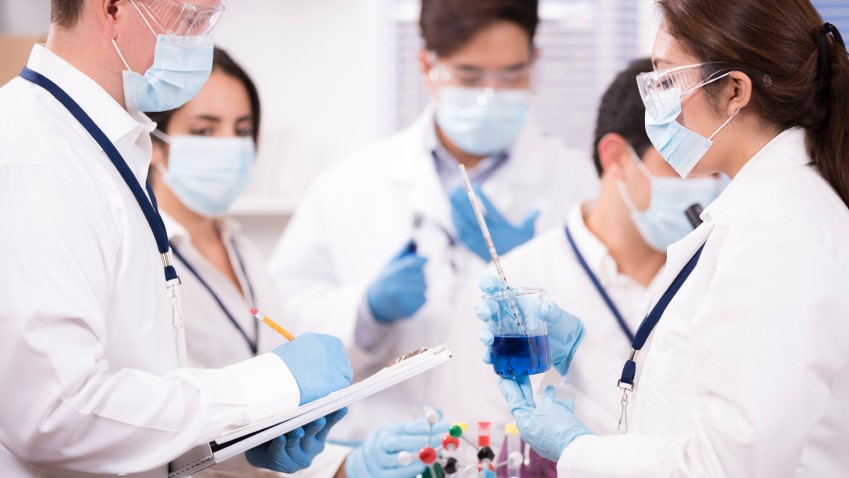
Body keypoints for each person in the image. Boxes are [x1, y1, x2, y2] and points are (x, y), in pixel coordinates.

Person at [479, 0, 849, 476]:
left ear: (735, 90)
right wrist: (580, 355)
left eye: (667, 78)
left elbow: (727, 465)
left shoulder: (780, 232)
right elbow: (685, 395)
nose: (654, 101)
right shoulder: (756, 212)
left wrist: (575, 450)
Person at [0, 1, 352, 476]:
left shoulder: (109, 147)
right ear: (113, 8)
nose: (199, 42)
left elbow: (134, 384)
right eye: (190, 19)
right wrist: (264, 386)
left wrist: (230, 434)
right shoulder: (33, 156)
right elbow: (54, 413)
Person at [269, 0, 599, 439]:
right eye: (469, 75)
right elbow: (279, 322)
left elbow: (612, 335)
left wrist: (527, 268)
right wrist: (366, 312)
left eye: (511, 75)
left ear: (534, 64)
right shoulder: (351, 184)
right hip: (388, 451)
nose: (490, 94)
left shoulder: (579, 182)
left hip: (518, 451)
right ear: (428, 67)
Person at [147, 46, 449, 478]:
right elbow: (161, 419)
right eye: (205, 130)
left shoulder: (244, 253)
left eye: (243, 129)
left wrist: (340, 461)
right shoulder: (145, 253)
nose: (230, 145)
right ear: (157, 145)